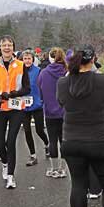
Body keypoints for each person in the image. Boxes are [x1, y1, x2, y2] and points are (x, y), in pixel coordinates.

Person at [58, 44, 104, 207]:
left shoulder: (63, 83)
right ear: (93, 60)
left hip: (71, 141)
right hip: (99, 140)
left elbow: (62, 103)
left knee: (78, 184)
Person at [0, 35, 31, 189]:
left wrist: (13, 94)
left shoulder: (21, 65)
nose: (7, 47)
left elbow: (27, 88)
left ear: (13, 48)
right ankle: (5, 163)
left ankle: (11, 176)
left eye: (10, 45)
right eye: (4, 45)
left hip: (15, 107)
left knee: (10, 141)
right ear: (0, 48)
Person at [38, 47, 67, 178]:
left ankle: (54, 168)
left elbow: (40, 89)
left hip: (49, 111)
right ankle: (63, 169)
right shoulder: (67, 72)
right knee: (64, 140)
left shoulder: (44, 73)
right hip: (65, 111)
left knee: (52, 140)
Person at [21, 49, 50, 166]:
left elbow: (43, 86)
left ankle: (47, 144)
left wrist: (43, 99)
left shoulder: (38, 71)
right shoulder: (19, 71)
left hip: (37, 104)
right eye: (25, 59)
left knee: (39, 130)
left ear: (33, 59)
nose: (27, 61)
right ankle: (33, 155)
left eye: (29, 58)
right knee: (27, 130)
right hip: (24, 105)